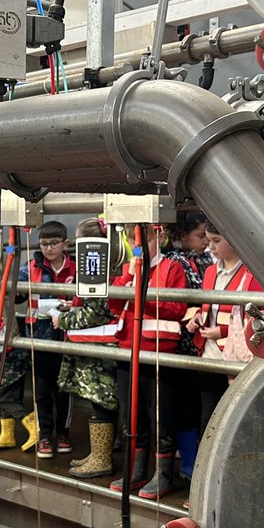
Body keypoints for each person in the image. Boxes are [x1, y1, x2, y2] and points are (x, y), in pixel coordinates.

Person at [108, 226, 188, 498]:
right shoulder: (129, 271)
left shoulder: (171, 268)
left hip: (158, 350)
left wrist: (142, 295)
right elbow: (114, 304)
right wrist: (129, 278)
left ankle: (164, 474)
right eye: (133, 240)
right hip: (127, 350)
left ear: (159, 237)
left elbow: (177, 308)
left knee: (160, 416)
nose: (138, 245)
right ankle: (137, 470)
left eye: (144, 239)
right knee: (131, 414)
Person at [53, 218, 121, 478]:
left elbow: (97, 311)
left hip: (99, 346)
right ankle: (98, 454)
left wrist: (65, 319)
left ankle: (102, 458)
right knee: (100, 402)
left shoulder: (97, 266)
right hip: (100, 344)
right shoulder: (113, 262)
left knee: (102, 401)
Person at [186, 224, 263, 433]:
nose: (210, 246)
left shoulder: (252, 273)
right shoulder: (210, 271)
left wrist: (221, 332)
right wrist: (198, 317)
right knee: (208, 415)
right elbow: (208, 307)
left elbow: (256, 318)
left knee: (234, 416)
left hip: (236, 356)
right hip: (209, 352)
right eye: (209, 240)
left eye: (216, 241)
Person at [160, 212, 213, 493]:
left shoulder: (206, 259)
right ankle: (188, 463)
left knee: (194, 405)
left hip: (199, 340)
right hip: (180, 339)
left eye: (208, 237)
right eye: (200, 236)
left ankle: (192, 463)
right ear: (182, 236)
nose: (205, 242)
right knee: (181, 405)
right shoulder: (176, 261)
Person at [18, 221, 76, 459]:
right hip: (39, 335)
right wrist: (20, 291)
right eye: (44, 244)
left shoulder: (76, 267)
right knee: (41, 389)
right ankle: (44, 435)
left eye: (53, 243)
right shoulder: (30, 267)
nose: (48, 248)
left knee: (64, 389)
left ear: (65, 244)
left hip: (67, 337)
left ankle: (63, 433)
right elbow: (16, 294)